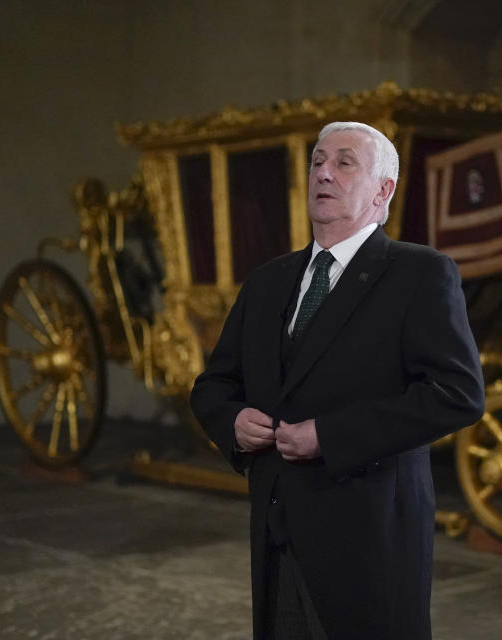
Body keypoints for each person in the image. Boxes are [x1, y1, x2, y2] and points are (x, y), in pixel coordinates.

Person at [190, 121, 485, 640]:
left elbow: (457, 395)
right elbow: (213, 385)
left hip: (370, 539)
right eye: (317, 161)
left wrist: (330, 436)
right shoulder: (267, 282)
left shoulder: (419, 274)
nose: (323, 173)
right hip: (277, 537)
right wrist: (232, 420)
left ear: (383, 189)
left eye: (344, 162)